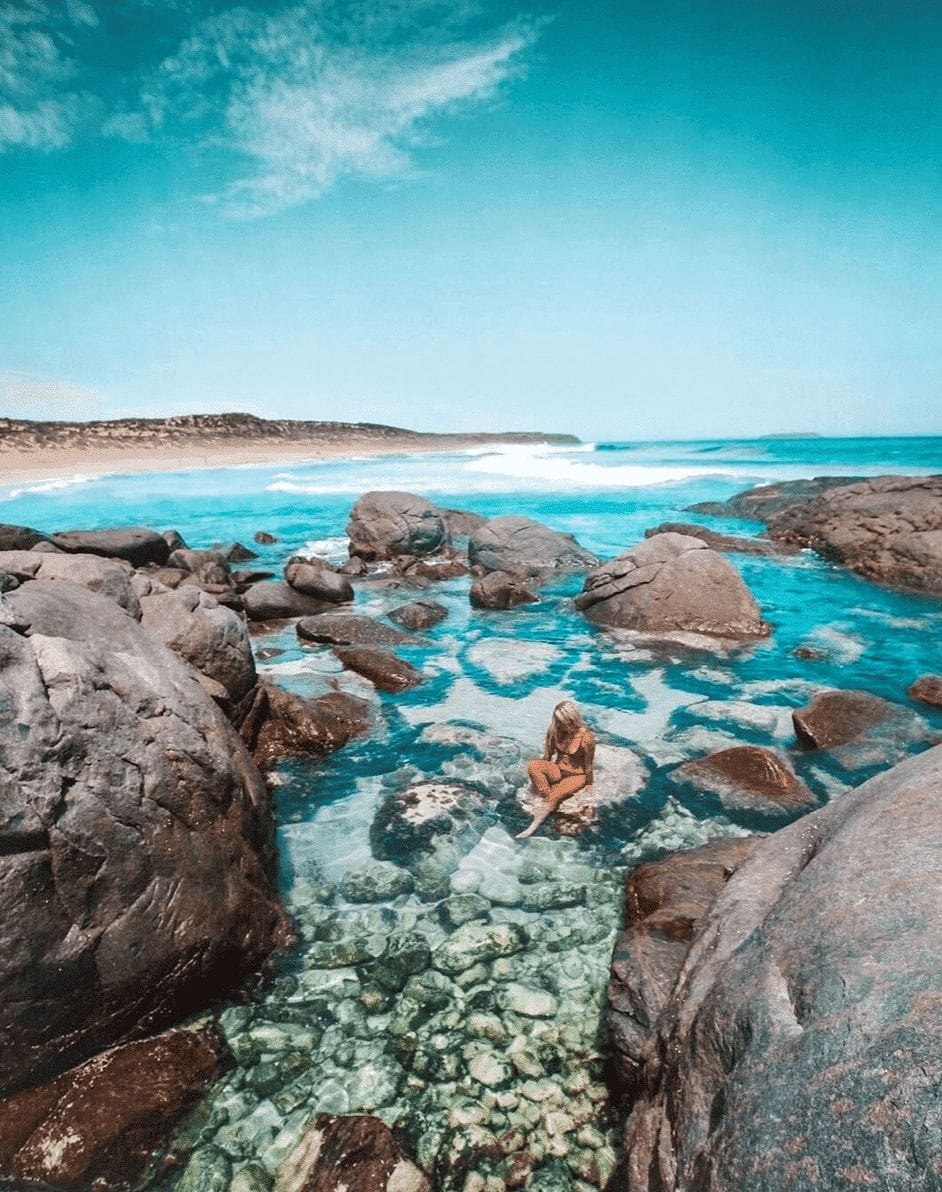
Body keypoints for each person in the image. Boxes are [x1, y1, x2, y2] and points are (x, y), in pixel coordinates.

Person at [516, 700, 595, 839]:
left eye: (561, 721)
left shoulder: (586, 738)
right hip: (558, 769)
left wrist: (589, 783)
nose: (558, 724)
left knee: (554, 795)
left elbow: (588, 764)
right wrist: (540, 775)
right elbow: (547, 756)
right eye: (557, 720)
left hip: (577, 775)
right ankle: (548, 802)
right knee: (533, 765)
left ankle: (532, 827)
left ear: (571, 720)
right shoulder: (554, 730)